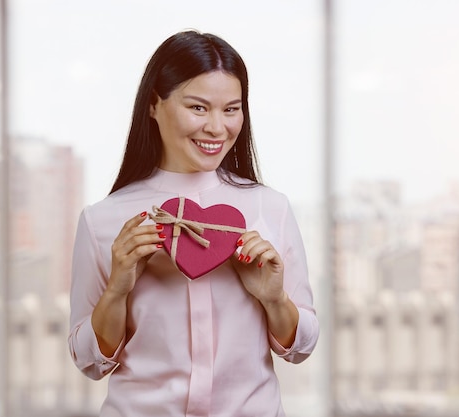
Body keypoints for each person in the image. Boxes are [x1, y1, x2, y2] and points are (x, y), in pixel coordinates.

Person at [68, 29, 319, 417]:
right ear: (154, 104)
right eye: (198, 108)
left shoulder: (271, 209)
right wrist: (117, 289)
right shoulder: (103, 220)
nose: (217, 128)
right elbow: (89, 362)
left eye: (231, 109)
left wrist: (273, 298)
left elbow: (301, 347)